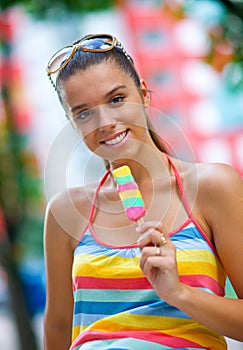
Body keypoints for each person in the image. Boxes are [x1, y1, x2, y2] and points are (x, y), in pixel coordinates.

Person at [44, 33, 243, 350]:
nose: (105, 122)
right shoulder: (64, 212)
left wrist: (178, 292)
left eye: (117, 99)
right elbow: (57, 327)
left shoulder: (212, 186)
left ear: (144, 94)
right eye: (83, 113)